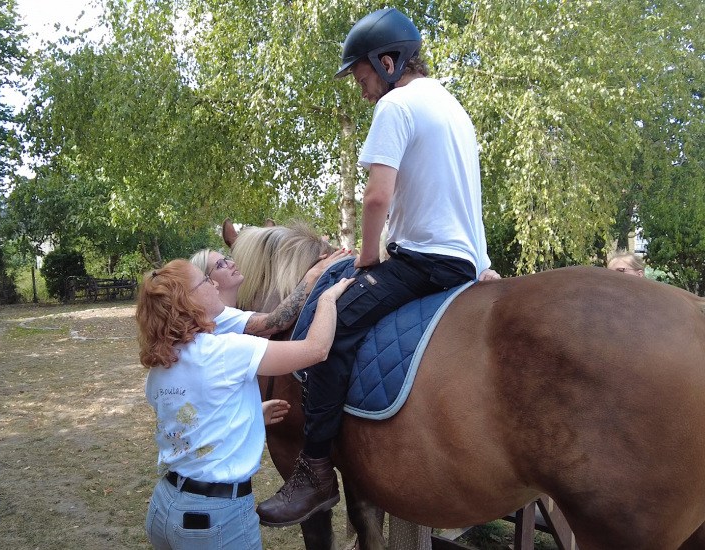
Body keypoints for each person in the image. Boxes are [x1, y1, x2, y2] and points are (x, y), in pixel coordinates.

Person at [257, 7, 500, 527]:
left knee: (332, 323)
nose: (364, 90)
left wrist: (366, 259)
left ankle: (316, 471)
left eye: (364, 77)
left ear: (388, 62)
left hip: (421, 260)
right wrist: (481, 263)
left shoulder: (396, 107)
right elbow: (466, 200)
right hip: (461, 261)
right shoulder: (454, 109)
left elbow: (375, 199)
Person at [138, 259, 354, 550]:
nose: (214, 283)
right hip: (215, 519)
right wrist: (327, 298)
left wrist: (251, 416)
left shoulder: (161, 366)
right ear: (186, 301)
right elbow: (316, 349)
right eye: (205, 280)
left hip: (165, 508)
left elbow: (191, 421)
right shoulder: (225, 351)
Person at [190, 247, 350, 424]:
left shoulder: (225, 315)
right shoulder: (219, 316)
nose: (231, 263)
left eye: (226, 258)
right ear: (209, 281)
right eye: (220, 265)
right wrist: (313, 277)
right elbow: (277, 321)